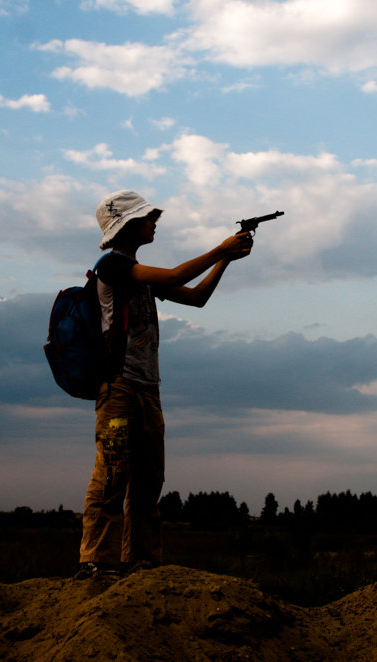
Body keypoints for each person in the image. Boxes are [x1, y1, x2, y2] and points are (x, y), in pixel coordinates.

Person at [76, 190, 254, 578]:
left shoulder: (140, 275)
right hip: (118, 387)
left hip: (147, 387)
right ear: (125, 226)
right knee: (112, 472)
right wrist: (220, 248)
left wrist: (225, 259)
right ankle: (96, 561)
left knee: (148, 481)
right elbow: (176, 275)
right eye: (147, 217)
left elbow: (196, 297)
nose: (154, 222)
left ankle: (140, 563)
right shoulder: (112, 266)